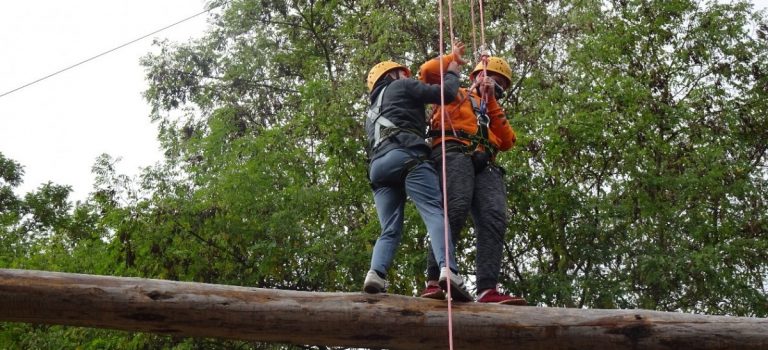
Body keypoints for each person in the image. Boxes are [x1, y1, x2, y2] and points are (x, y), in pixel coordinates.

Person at [418, 49, 527, 305]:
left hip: (484, 161)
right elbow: (426, 73)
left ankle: (487, 288)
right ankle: (434, 280)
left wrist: (490, 100)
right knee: (455, 206)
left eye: (501, 83)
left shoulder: (491, 108)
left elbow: (507, 141)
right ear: (477, 75)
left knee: (494, 217)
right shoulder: (454, 92)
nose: (496, 84)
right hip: (454, 150)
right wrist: (452, 60)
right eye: (493, 78)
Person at [362, 56, 472, 302]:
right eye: (402, 73)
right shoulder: (401, 86)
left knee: (388, 229)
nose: (407, 76)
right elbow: (446, 93)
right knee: (434, 212)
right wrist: (452, 71)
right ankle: (449, 271)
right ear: (391, 75)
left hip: (379, 169)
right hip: (407, 155)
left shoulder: (370, 112)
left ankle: (375, 273)